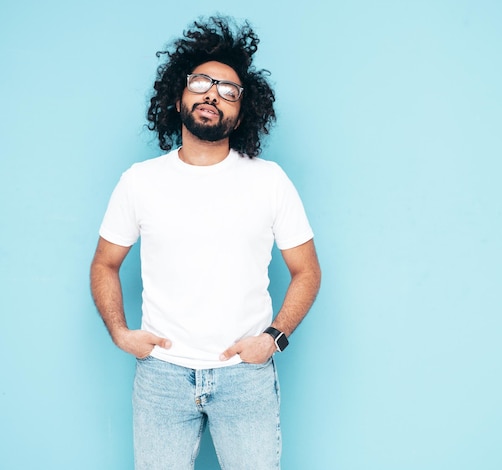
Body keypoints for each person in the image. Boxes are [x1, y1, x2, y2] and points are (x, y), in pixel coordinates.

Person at [90, 16, 321, 470]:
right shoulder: (140, 182)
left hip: (246, 378)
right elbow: (104, 263)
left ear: (242, 112)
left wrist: (273, 339)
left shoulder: (269, 181)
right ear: (177, 98)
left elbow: (307, 271)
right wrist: (120, 332)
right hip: (161, 378)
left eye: (228, 90)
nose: (213, 94)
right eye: (201, 82)